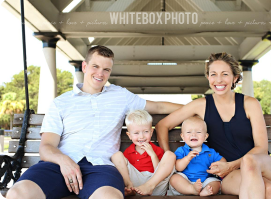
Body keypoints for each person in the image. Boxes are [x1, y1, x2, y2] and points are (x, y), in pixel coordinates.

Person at [6, 45, 182, 199]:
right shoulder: (61, 102)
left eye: (106, 69)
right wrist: (64, 161)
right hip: (59, 165)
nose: (100, 73)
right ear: (84, 66)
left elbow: (158, 106)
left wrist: (196, 108)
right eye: (95, 66)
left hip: (101, 167)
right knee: (18, 194)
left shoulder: (120, 96)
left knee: (110, 197)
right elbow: (46, 147)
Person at [155, 52, 271, 199]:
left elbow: (262, 148)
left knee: (250, 160)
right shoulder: (201, 105)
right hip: (230, 175)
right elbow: (162, 126)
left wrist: (231, 165)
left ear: (235, 78)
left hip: (262, 166)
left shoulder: (250, 104)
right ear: (208, 77)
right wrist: (170, 161)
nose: (219, 80)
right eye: (213, 74)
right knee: (268, 190)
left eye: (225, 74)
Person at [111, 109, 175, 196]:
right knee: (116, 155)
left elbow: (159, 171)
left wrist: (152, 155)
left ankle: (148, 186)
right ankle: (128, 185)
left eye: (146, 131)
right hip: (135, 184)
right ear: (129, 135)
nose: (141, 136)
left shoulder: (157, 150)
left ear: (151, 132)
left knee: (170, 155)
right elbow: (127, 170)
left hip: (155, 184)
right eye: (136, 133)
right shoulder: (128, 152)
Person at [168, 116, 226, 196]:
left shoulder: (210, 152)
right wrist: (187, 158)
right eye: (189, 132)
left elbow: (223, 161)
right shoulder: (181, 150)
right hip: (186, 181)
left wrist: (217, 166)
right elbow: (178, 167)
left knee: (216, 183)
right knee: (174, 178)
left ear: (205, 136)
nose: (193, 134)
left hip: (205, 181)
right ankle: (192, 189)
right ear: (182, 136)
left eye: (198, 132)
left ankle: (206, 191)